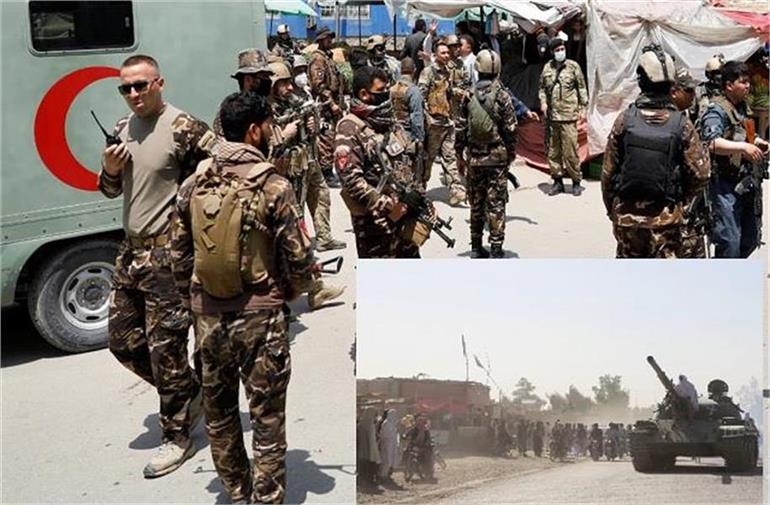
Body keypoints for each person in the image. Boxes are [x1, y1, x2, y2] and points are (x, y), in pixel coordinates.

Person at [169, 92, 316, 503]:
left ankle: (237, 491)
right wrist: (287, 292)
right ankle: (266, 497)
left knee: (219, 416)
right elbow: (299, 260)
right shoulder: (274, 185)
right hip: (260, 319)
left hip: (208, 319)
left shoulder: (194, 183)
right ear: (254, 131)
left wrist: (196, 302)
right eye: (268, 125)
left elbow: (178, 255)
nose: (271, 132)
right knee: (266, 418)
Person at [99, 54, 213, 478]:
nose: (133, 94)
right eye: (125, 88)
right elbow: (110, 190)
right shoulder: (121, 128)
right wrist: (110, 170)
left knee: (166, 350)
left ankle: (177, 436)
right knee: (123, 342)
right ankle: (189, 393)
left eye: (140, 85)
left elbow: (221, 174)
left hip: (169, 257)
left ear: (159, 83)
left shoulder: (185, 127)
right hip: (131, 253)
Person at [601, 45, 710, 258]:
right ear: (671, 85)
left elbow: (608, 173)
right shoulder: (682, 125)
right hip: (666, 221)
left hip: (627, 220)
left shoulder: (625, 120)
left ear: (641, 82)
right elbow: (701, 174)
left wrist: (613, 210)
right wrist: (680, 203)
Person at [334, 66, 427, 258]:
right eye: (381, 90)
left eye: (387, 88)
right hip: (375, 224)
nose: (386, 94)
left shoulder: (387, 120)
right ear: (364, 94)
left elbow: (405, 158)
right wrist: (390, 205)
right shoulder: (349, 127)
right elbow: (351, 180)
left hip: (403, 217)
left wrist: (416, 195)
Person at [269, 61, 347, 253]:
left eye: (289, 82)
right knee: (297, 205)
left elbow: (311, 119)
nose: (289, 87)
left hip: (309, 157)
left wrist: (313, 124)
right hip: (290, 165)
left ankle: (324, 237)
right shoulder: (268, 108)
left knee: (321, 194)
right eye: (283, 83)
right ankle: (297, 244)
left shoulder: (295, 100)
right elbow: (269, 142)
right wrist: (285, 134)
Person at [700, 60, 769, 258]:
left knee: (750, 239)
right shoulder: (717, 110)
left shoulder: (741, 107)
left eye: (748, 82)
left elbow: (745, 135)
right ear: (729, 85)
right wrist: (743, 148)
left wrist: (758, 143)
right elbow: (711, 143)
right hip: (724, 185)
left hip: (746, 182)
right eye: (743, 82)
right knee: (730, 242)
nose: (748, 86)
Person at [456, 49, 517, 258]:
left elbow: (460, 128)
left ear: (477, 69)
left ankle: (475, 246)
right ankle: (497, 247)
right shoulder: (502, 95)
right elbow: (511, 129)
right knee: (496, 203)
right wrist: (510, 153)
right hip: (497, 159)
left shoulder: (468, 95)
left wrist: (459, 155)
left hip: (474, 159)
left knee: (476, 202)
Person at [418, 40, 467, 205]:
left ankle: (456, 190)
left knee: (450, 156)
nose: (446, 55)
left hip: (447, 121)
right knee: (428, 159)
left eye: (447, 52)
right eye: (443, 53)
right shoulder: (428, 72)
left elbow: (448, 91)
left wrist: (459, 92)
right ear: (435, 55)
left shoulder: (447, 71)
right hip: (433, 124)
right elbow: (421, 96)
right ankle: (420, 189)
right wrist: (426, 119)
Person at [539, 37, 588, 196]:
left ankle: (576, 181)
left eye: (562, 49)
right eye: (557, 50)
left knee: (570, 151)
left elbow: (581, 87)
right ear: (552, 52)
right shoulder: (547, 68)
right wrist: (543, 102)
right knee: (553, 151)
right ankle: (557, 181)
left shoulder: (573, 67)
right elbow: (542, 89)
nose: (561, 52)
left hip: (568, 115)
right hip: (552, 117)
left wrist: (583, 107)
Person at [309, 27, 346, 188]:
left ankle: (330, 169)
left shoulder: (327, 57)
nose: (330, 41)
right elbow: (318, 85)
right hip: (325, 107)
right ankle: (326, 172)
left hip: (333, 105)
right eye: (327, 38)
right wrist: (331, 103)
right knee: (326, 139)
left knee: (333, 138)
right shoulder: (318, 59)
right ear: (321, 40)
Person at [213, 49, 274, 137]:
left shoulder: (267, 105)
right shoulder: (231, 109)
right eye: (264, 76)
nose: (268, 81)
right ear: (248, 79)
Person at [390, 57, 426, 143]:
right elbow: (416, 117)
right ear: (414, 70)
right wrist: (419, 138)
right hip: (408, 134)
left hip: (393, 133)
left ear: (400, 70)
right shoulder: (414, 90)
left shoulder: (392, 89)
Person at [690, 54, 724, 123]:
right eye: (717, 73)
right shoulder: (699, 91)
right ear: (709, 74)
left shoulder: (727, 91)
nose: (720, 76)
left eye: (722, 73)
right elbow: (692, 114)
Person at [404, 415, 435, 480]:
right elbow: (407, 434)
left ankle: (429, 471)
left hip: (423, 447)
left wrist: (426, 444)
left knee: (427, 456)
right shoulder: (413, 430)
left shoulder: (426, 431)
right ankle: (406, 467)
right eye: (418, 421)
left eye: (421, 422)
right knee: (406, 453)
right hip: (414, 446)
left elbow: (428, 439)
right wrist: (404, 436)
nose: (419, 423)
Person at [378, 409, 400, 481]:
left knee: (390, 460)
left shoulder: (392, 423)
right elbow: (384, 435)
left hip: (391, 444)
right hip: (387, 444)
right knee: (386, 460)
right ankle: (383, 476)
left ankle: (387, 475)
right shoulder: (386, 423)